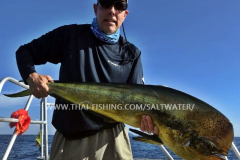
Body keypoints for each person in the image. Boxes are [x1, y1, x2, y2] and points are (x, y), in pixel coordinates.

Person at [16, 0, 159, 159]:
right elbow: (24, 52)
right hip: (71, 140)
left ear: (125, 15)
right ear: (95, 8)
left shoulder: (133, 54)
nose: (112, 10)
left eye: (119, 5)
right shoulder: (70, 35)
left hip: (115, 139)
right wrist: (31, 76)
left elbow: (138, 104)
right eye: (106, 3)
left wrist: (149, 123)